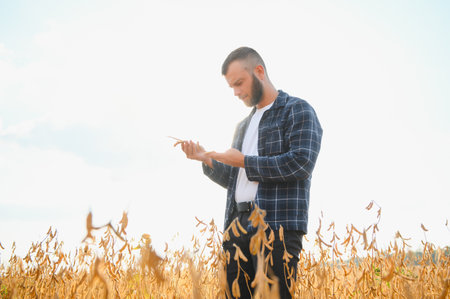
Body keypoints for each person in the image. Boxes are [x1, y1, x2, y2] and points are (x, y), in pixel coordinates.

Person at [179, 47, 322, 299]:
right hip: (236, 228)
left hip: (277, 229)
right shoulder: (242, 125)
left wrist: (244, 161)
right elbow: (236, 181)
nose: (236, 92)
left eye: (239, 83)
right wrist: (206, 159)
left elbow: (301, 163)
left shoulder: (298, 110)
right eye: (231, 87)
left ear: (259, 72)